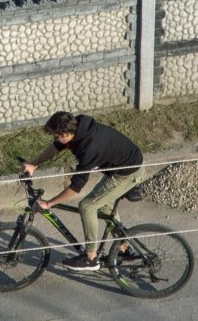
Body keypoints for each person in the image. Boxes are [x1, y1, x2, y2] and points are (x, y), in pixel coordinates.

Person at [22, 111, 145, 271]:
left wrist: (49, 203)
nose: (55, 138)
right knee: (102, 205)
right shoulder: (77, 126)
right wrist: (34, 164)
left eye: (56, 135)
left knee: (87, 206)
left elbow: (76, 186)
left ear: (66, 133)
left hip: (129, 172)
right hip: (119, 167)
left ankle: (91, 258)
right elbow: (55, 147)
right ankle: (124, 249)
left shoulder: (89, 147)